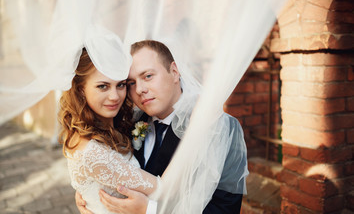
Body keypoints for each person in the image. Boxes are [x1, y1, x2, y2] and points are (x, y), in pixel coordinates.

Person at [76, 40, 248, 214]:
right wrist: (90, 192)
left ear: (174, 72)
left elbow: (224, 209)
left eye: (148, 76)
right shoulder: (132, 122)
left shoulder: (219, 127)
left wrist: (150, 211)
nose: (140, 89)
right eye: (131, 83)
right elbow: (114, 170)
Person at [59, 28, 161, 214]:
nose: (115, 96)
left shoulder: (115, 124)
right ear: (81, 90)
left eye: (120, 84)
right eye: (103, 86)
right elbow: (162, 190)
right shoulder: (91, 152)